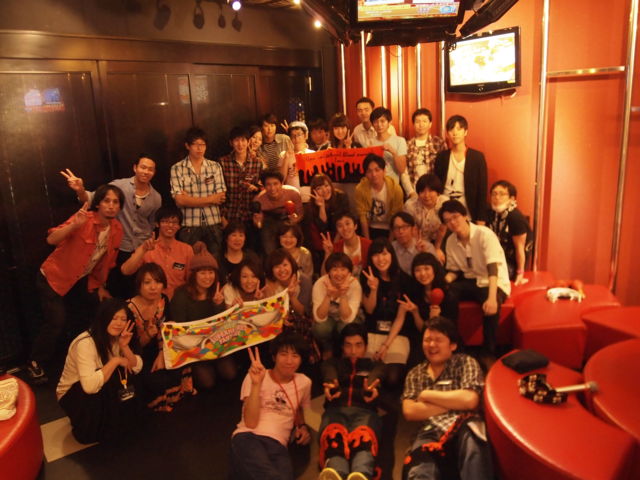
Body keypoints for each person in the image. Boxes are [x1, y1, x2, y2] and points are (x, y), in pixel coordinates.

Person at [29, 184, 124, 383]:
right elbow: (51, 239)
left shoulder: (116, 229)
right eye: (107, 201)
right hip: (54, 277)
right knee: (56, 321)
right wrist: (74, 225)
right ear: (98, 203)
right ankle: (36, 362)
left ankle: (89, 358)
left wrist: (100, 286)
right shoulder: (85, 219)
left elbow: (106, 262)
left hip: (81, 279)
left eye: (116, 202)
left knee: (94, 313)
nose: (111, 205)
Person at [402, 317, 493, 480]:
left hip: (464, 424)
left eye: (438, 340)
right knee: (419, 470)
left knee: (474, 449)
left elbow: (470, 400)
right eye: (427, 340)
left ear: (453, 345)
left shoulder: (465, 362)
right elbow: (410, 411)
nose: (431, 345)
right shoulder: (415, 373)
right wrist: (456, 402)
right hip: (429, 430)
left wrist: (427, 395)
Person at [56, 298, 142, 444]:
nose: (119, 323)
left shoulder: (119, 337)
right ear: (103, 318)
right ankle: (93, 427)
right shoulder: (85, 343)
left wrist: (125, 347)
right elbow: (89, 386)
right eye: (113, 318)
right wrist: (115, 361)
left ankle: (113, 423)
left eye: (123, 319)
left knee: (124, 376)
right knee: (112, 377)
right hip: (73, 393)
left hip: (96, 389)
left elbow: (136, 367)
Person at [230, 333, 312, 480]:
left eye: (295, 356)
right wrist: (257, 384)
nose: (289, 361)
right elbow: (250, 422)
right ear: (274, 357)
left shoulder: (304, 382)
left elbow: (300, 408)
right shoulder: (255, 376)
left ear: (301, 360)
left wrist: (303, 426)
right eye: (283, 354)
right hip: (249, 437)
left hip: (279, 445)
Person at [440, 200, 511, 357]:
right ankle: (455, 346)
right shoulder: (451, 241)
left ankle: (488, 353)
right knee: (448, 294)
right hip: (471, 280)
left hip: (493, 280)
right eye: (447, 220)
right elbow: (454, 271)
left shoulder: (484, 234)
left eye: (455, 217)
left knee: (491, 303)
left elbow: (493, 268)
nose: (452, 222)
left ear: (465, 216)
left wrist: (492, 298)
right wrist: (443, 282)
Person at [318, 323, 385, 480]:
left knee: (364, 441)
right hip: (336, 411)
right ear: (342, 347)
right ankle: (336, 473)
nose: (353, 351)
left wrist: (370, 388)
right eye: (348, 345)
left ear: (366, 346)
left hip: (365, 413)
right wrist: (331, 384)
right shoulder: (333, 363)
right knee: (334, 439)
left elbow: (378, 374)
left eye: (358, 345)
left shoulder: (375, 366)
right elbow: (328, 371)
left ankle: (361, 474)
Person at [126, 263, 194, 411]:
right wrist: (148, 335)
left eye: (157, 282)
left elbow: (168, 329)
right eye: (147, 282)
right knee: (154, 380)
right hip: (139, 353)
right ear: (139, 285)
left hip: (162, 346)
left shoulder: (163, 299)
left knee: (180, 363)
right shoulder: (129, 309)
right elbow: (130, 347)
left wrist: (162, 354)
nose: (153, 287)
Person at [170, 242, 234, 389]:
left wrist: (218, 305)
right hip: (194, 348)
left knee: (230, 374)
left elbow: (222, 326)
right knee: (207, 383)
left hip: (215, 343)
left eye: (211, 272)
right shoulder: (181, 295)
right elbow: (180, 328)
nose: (207, 277)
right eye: (202, 273)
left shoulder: (216, 292)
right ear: (194, 274)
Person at [359, 238, 413, 391]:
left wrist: (385, 345)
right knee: (364, 375)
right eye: (376, 255)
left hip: (396, 335)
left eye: (384, 254)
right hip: (372, 331)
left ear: (392, 255)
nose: (380, 259)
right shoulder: (366, 276)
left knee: (393, 378)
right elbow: (369, 310)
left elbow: (400, 318)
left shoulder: (404, 279)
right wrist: (374, 289)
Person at [170, 127, 227, 256]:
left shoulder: (215, 166)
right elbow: (180, 200)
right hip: (189, 225)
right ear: (187, 146)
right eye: (195, 144)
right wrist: (211, 199)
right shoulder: (177, 168)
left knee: (214, 262)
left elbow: (220, 197)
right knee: (189, 263)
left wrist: (189, 200)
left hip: (213, 223)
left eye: (202, 144)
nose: (199, 148)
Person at [120, 206, 194, 299]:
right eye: (165, 221)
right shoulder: (147, 247)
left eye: (174, 222)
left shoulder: (187, 250)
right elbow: (126, 270)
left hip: (177, 301)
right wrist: (143, 250)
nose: (170, 225)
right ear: (157, 224)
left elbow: (191, 281)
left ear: (179, 226)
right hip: (152, 300)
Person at [403, 253, 455, 367]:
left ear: (434, 269)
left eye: (426, 268)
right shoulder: (414, 292)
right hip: (423, 340)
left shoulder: (448, 292)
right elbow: (423, 330)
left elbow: (452, 328)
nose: (422, 274)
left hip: (446, 339)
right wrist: (415, 313)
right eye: (418, 270)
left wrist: (437, 320)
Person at [434, 115, 487, 224]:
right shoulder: (442, 157)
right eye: (451, 129)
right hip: (444, 205)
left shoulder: (477, 157)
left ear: (465, 132)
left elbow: (482, 189)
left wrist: (481, 218)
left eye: (459, 129)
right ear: (447, 133)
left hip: (468, 207)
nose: (455, 133)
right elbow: (436, 185)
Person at [312, 253, 362, 358]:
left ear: (349, 272)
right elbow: (319, 317)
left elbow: (347, 318)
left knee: (346, 327)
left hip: (348, 319)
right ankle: (327, 348)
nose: (339, 273)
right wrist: (328, 295)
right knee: (320, 328)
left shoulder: (354, 285)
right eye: (334, 269)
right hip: (328, 319)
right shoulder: (320, 283)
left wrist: (343, 294)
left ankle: (345, 351)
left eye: (343, 269)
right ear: (328, 272)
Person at [487, 180, 533, 285]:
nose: (497, 197)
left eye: (502, 194)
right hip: (495, 257)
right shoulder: (492, 213)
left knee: (489, 274)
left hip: (510, 263)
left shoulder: (515, 217)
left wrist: (520, 273)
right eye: (494, 194)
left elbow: (520, 248)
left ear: (512, 199)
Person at [304, 174, 351, 273]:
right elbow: (322, 227)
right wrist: (321, 207)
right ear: (314, 191)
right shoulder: (311, 205)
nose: (324, 190)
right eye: (319, 188)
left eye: (326, 185)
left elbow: (343, 223)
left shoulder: (341, 197)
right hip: (324, 237)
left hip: (340, 233)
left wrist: (334, 245)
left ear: (331, 185)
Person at [252, 169, 303, 255]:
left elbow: (300, 213)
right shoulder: (259, 200)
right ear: (264, 186)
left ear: (282, 183)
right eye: (268, 184)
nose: (272, 188)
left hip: (288, 220)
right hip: (269, 224)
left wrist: (295, 219)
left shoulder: (293, 193)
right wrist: (258, 223)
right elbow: (258, 224)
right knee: (269, 249)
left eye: (275, 184)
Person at [219, 126, 263, 225]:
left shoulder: (257, 163)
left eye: (243, 140)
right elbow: (219, 191)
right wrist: (222, 217)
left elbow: (262, 188)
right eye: (236, 140)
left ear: (248, 142)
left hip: (250, 216)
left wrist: (256, 188)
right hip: (230, 215)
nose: (240, 144)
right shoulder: (223, 162)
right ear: (231, 143)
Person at [355, 154, 404, 240]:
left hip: (389, 228)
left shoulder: (395, 189)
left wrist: (390, 242)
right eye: (369, 171)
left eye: (377, 170)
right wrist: (367, 241)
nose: (373, 174)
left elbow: (395, 217)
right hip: (370, 227)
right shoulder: (360, 189)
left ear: (384, 171)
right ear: (365, 174)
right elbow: (362, 216)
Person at [403, 174, 449, 263]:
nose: (426, 195)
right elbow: (413, 229)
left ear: (438, 192)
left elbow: (443, 228)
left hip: (440, 239)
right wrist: (420, 246)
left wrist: (437, 248)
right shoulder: (410, 205)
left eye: (431, 191)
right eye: (422, 191)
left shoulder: (444, 203)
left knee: (440, 260)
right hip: (417, 239)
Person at [401, 109, 446, 197]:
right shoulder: (407, 145)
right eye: (417, 121)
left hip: (434, 192)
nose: (421, 125)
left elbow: (444, 171)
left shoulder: (438, 143)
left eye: (424, 121)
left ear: (430, 124)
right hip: (414, 191)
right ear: (413, 124)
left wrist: (438, 192)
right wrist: (410, 192)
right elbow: (404, 172)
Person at [320, 212, 371, 277]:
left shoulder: (368, 245)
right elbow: (324, 276)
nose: (345, 228)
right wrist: (327, 253)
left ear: (355, 226)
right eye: (340, 226)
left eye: (347, 224)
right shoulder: (336, 248)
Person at [368, 107, 407, 186]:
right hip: (375, 186)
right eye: (375, 122)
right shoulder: (370, 143)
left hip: (393, 186)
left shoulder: (400, 141)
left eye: (382, 121)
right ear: (372, 124)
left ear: (389, 122)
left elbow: (402, 169)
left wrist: (393, 152)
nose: (379, 125)